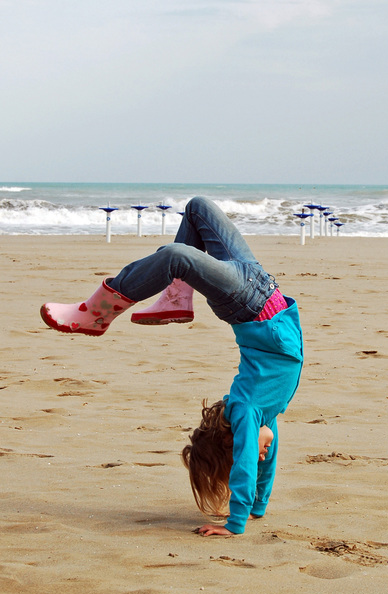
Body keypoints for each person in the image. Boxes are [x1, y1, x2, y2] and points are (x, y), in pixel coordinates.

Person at [40, 197, 303, 536]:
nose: (264, 452)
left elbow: (246, 467)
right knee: (183, 242)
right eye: (261, 451)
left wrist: (235, 524)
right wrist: (257, 507)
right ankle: (157, 300)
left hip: (248, 301)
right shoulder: (265, 414)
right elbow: (264, 467)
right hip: (262, 292)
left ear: (235, 443)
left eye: (255, 451)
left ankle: (108, 310)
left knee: (189, 225)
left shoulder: (248, 413)